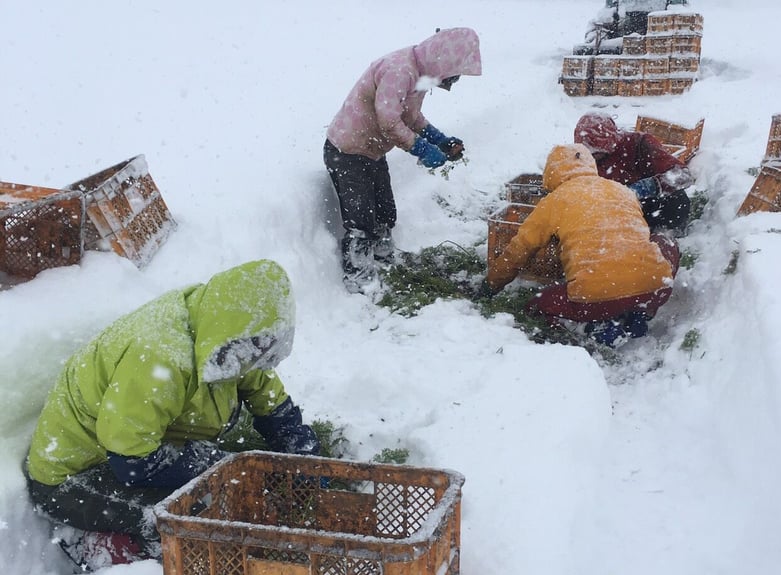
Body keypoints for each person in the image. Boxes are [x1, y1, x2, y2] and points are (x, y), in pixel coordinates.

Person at [24, 260, 320, 570]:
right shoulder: (161, 356)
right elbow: (132, 462)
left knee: (230, 485)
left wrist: (296, 441)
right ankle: (106, 548)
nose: (257, 355)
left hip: (127, 450)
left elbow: (263, 391)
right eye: (256, 345)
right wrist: (212, 468)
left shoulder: (222, 336)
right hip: (74, 478)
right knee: (190, 518)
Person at [324, 27, 482, 293]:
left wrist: (439, 140)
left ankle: (384, 259)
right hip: (347, 152)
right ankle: (359, 279)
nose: (452, 82)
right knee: (360, 218)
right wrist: (421, 149)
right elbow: (388, 121)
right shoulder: (399, 71)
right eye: (453, 75)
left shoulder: (419, 72)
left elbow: (411, 116)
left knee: (385, 210)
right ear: (443, 62)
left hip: (371, 150)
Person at [481, 144, 680, 346]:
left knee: (537, 305)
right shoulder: (622, 191)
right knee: (666, 243)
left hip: (594, 300)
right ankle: (640, 313)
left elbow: (519, 249)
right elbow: (636, 233)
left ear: (551, 173)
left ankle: (592, 328)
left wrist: (490, 285)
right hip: (656, 288)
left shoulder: (555, 201)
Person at [574, 111, 695, 234]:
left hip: (648, 207)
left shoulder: (639, 144)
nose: (593, 158)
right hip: (612, 214)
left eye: (598, 152)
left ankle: (664, 236)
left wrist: (650, 186)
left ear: (612, 142)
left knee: (677, 201)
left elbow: (683, 175)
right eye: (589, 154)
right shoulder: (579, 158)